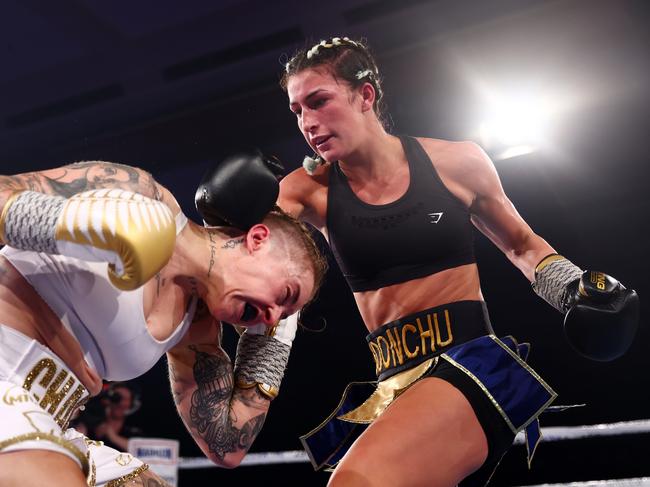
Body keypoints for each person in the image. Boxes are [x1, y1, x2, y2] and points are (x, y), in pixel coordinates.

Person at [194, 37, 640, 487]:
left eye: (318, 101)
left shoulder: (456, 162)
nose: (308, 123)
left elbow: (522, 245)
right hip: (392, 384)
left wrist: (573, 288)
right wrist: (224, 212)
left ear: (365, 95)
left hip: (471, 368)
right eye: (297, 111)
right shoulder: (306, 189)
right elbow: (229, 254)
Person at [0, 159, 327, 487]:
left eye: (281, 318)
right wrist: (69, 223)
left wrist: (269, 344)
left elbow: (226, 446)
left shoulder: (195, 328)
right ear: (257, 239)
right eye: (285, 294)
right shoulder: (137, 193)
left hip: (46, 420)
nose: (270, 317)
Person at [73, 382, 144, 452]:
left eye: (125, 399)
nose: (120, 402)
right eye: (116, 396)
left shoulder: (132, 433)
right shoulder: (91, 423)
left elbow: (141, 451)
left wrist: (113, 437)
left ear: (131, 405)